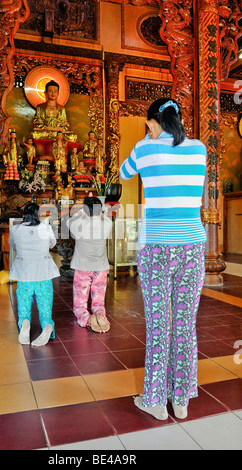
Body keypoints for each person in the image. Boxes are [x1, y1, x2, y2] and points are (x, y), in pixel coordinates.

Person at [119, 98, 207, 421]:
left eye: (148, 125)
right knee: (184, 324)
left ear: (153, 123)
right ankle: (181, 399)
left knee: (159, 323)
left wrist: (147, 138)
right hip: (192, 246)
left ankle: (155, 400)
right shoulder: (199, 149)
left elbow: (123, 173)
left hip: (156, 246)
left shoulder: (145, 148)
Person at [9, 202, 60, 346]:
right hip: (43, 274)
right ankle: (47, 326)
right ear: (38, 215)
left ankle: (25, 324)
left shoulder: (16, 229)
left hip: (24, 274)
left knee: (24, 308)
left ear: (24, 215)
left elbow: (13, 245)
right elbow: (52, 244)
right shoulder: (46, 228)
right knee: (45, 309)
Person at [66, 196, 112, 333]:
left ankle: (85, 317)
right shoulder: (107, 224)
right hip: (101, 266)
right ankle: (100, 314)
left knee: (80, 299)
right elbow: (104, 215)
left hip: (82, 266)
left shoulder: (78, 225)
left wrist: (82, 212)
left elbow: (69, 221)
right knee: (99, 296)